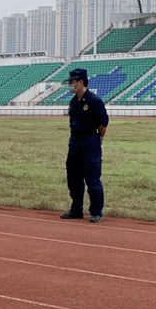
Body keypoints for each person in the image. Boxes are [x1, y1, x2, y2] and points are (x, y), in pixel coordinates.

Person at [60, 68, 109, 223]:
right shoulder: (74, 101)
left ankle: (96, 211)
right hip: (75, 140)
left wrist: (95, 140)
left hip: (89, 140)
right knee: (73, 177)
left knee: (92, 177)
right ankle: (76, 209)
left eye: (72, 82)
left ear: (81, 82)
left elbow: (102, 125)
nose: (70, 85)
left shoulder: (94, 101)